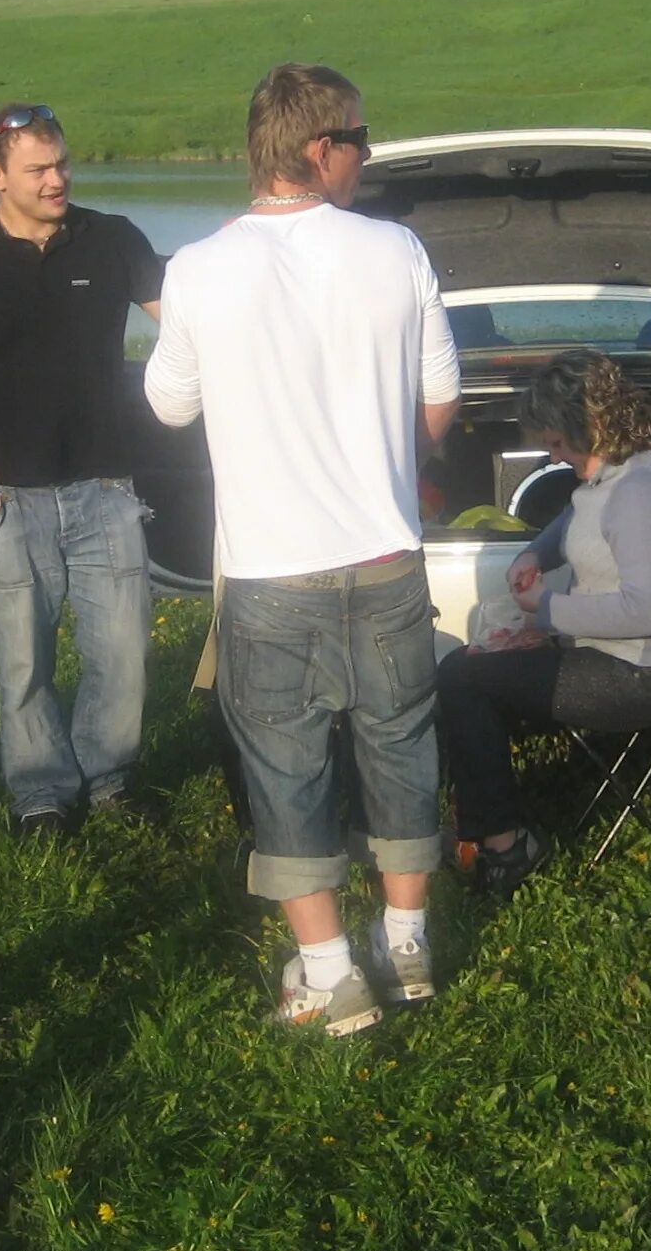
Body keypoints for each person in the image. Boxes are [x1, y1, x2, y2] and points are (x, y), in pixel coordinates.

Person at [144, 62, 461, 1033]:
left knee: (285, 764)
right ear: (317, 149)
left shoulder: (196, 268)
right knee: (400, 743)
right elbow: (440, 409)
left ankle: (327, 972)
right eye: (359, 140)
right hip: (383, 556)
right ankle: (405, 948)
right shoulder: (396, 250)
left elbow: (167, 404)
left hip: (268, 571)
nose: (366, 157)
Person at [0, 103, 164, 833]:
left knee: (124, 652)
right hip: (5, 491)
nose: (57, 180)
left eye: (62, 164)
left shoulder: (112, 239)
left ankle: (109, 777)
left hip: (108, 483)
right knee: (23, 661)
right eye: (38, 170)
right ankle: (41, 794)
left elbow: (183, 320)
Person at [435, 350, 651, 895]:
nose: (555, 456)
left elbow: (649, 610)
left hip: (641, 676)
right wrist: (536, 554)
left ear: (591, 424)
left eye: (557, 442)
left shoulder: (639, 492)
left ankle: (504, 848)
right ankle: (486, 821)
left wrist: (547, 612)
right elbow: (576, 515)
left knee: (464, 680)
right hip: (607, 653)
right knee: (471, 664)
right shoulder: (621, 469)